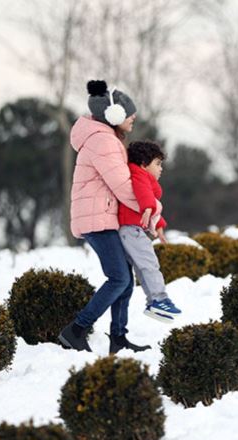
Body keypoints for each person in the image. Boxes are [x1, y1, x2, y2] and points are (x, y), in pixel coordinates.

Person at [58, 80, 151, 354]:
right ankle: (75, 330)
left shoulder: (104, 138)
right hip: (97, 220)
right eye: (129, 114)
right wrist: (150, 208)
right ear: (114, 116)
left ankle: (118, 338)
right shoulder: (103, 142)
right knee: (119, 278)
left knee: (124, 277)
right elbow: (123, 187)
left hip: (102, 217)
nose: (133, 118)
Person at [118, 141, 182, 323]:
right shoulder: (139, 174)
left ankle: (154, 302)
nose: (161, 169)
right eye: (158, 164)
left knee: (144, 266)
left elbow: (152, 203)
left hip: (131, 229)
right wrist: (147, 208)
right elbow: (144, 194)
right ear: (144, 164)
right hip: (131, 229)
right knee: (149, 263)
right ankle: (159, 299)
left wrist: (159, 225)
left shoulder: (141, 175)